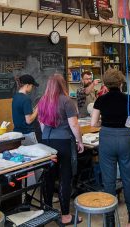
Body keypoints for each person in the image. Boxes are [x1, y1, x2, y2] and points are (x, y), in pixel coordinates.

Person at [91, 69, 130, 224]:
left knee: (109, 180)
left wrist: (104, 122)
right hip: (125, 137)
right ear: (121, 82)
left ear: (105, 83)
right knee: (128, 178)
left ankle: (110, 218)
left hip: (107, 137)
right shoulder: (129, 99)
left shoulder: (100, 100)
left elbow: (93, 123)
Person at [37, 74, 84, 225]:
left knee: (49, 177)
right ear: (62, 85)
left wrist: (46, 140)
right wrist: (80, 141)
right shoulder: (66, 101)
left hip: (46, 142)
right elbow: (74, 125)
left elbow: (42, 124)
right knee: (65, 177)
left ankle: (48, 211)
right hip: (63, 142)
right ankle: (65, 215)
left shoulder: (43, 101)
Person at [12, 75, 39, 146]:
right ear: (27, 85)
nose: (32, 88)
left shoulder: (15, 97)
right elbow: (29, 120)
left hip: (17, 134)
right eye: (32, 86)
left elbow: (20, 113)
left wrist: (32, 110)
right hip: (27, 134)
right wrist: (37, 110)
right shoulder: (26, 99)